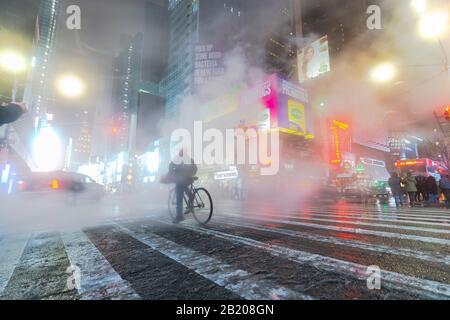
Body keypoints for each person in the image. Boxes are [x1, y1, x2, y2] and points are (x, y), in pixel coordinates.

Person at [167, 149, 197, 224]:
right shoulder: (189, 158)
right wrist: (191, 175)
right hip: (189, 178)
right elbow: (195, 168)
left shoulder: (176, 159)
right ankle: (190, 204)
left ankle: (179, 216)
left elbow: (171, 168)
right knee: (186, 189)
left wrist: (169, 175)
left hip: (181, 180)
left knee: (179, 197)